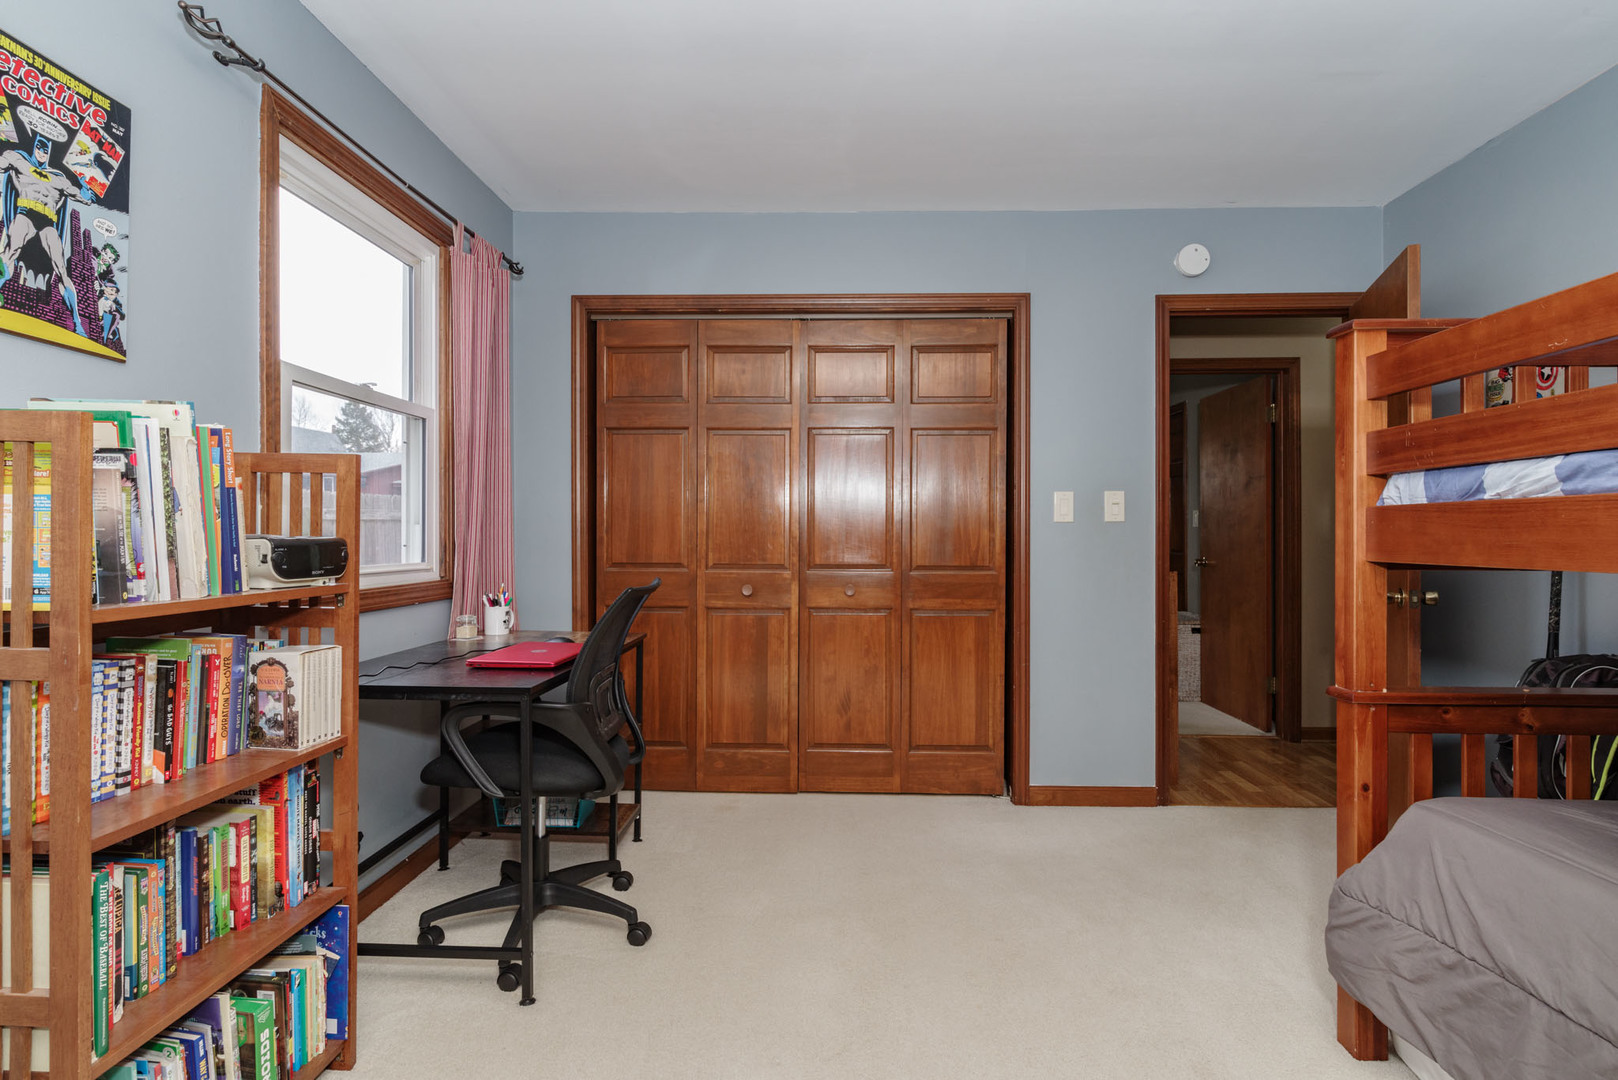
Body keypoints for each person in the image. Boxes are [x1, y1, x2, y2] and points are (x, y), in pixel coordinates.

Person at [0, 133, 97, 334]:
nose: (42, 152)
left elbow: (84, 197)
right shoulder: (20, 161)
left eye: (46, 150)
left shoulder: (59, 179)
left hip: (47, 221)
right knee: (12, 248)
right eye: (39, 147)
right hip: (26, 213)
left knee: (61, 268)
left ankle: (77, 323)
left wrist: (87, 190)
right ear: (34, 146)